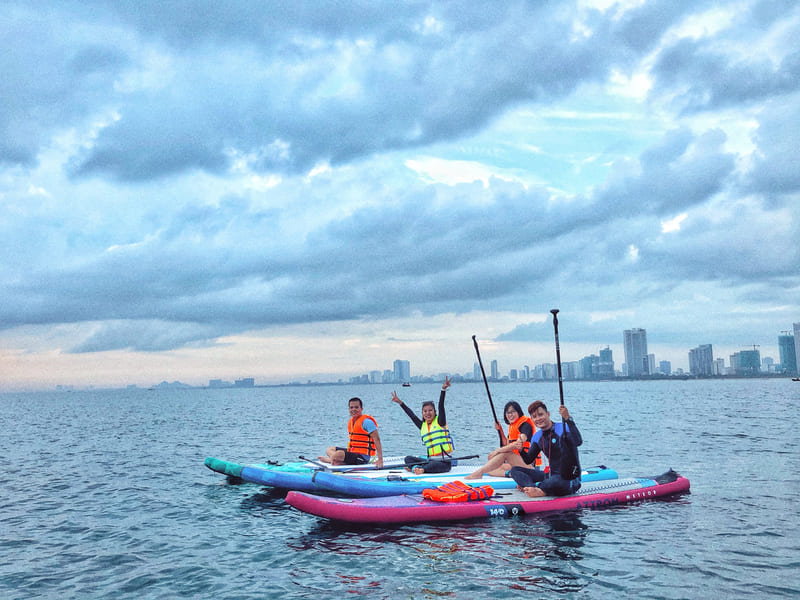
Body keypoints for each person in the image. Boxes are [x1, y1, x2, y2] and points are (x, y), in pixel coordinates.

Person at [508, 400, 582, 497]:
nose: (538, 419)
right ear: (532, 419)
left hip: (569, 478)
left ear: (548, 414)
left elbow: (578, 441)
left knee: (555, 481)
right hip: (551, 475)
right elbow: (528, 460)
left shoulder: (564, 428)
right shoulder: (537, 437)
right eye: (534, 417)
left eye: (540, 414)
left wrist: (568, 419)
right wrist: (521, 450)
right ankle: (532, 488)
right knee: (514, 471)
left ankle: (539, 489)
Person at [391, 377, 454, 474]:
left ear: (435, 412)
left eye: (430, 410)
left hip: (444, 462)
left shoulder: (440, 422)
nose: (427, 413)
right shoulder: (422, 425)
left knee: (434, 465)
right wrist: (400, 402)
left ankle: (421, 469)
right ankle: (416, 468)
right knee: (408, 459)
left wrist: (443, 390)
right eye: (425, 411)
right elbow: (411, 415)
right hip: (430, 460)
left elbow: (441, 406)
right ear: (422, 413)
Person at [465, 401, 540, 479]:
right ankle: (510, 474)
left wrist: (498, 451)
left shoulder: (525, 425)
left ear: (518, 412)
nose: (510, 415)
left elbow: (518, 443)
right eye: (508, 413)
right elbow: (506, 444)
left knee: (504, 455)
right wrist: (500, 430)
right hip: (518, 462)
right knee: (490, 463)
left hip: (530, 466)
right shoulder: (513, 426)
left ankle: (479, 473)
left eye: (513, 412)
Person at [319, 397, 384, 468]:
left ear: (361, 409)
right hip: (352, 452)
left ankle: (330, 460)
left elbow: (377, 439)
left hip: (362, 457)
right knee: (330, 449)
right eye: (351, 407)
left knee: (338, 454)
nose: (353, 409)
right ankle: (336, 460)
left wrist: (380, 459)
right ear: (349, 409)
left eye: (356, 407)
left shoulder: (367, 422)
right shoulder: (351, 422)